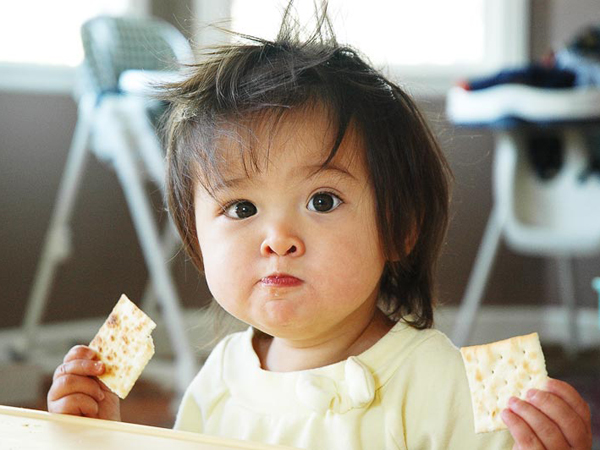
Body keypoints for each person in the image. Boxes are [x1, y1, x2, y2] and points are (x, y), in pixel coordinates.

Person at [47, 4, 592, 449]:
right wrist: (103, 429)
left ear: (399, 226)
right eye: (241, 209)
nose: (277, 238)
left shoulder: (441, 381)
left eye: (323, 200)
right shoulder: (220, 377)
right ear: (196, 238)